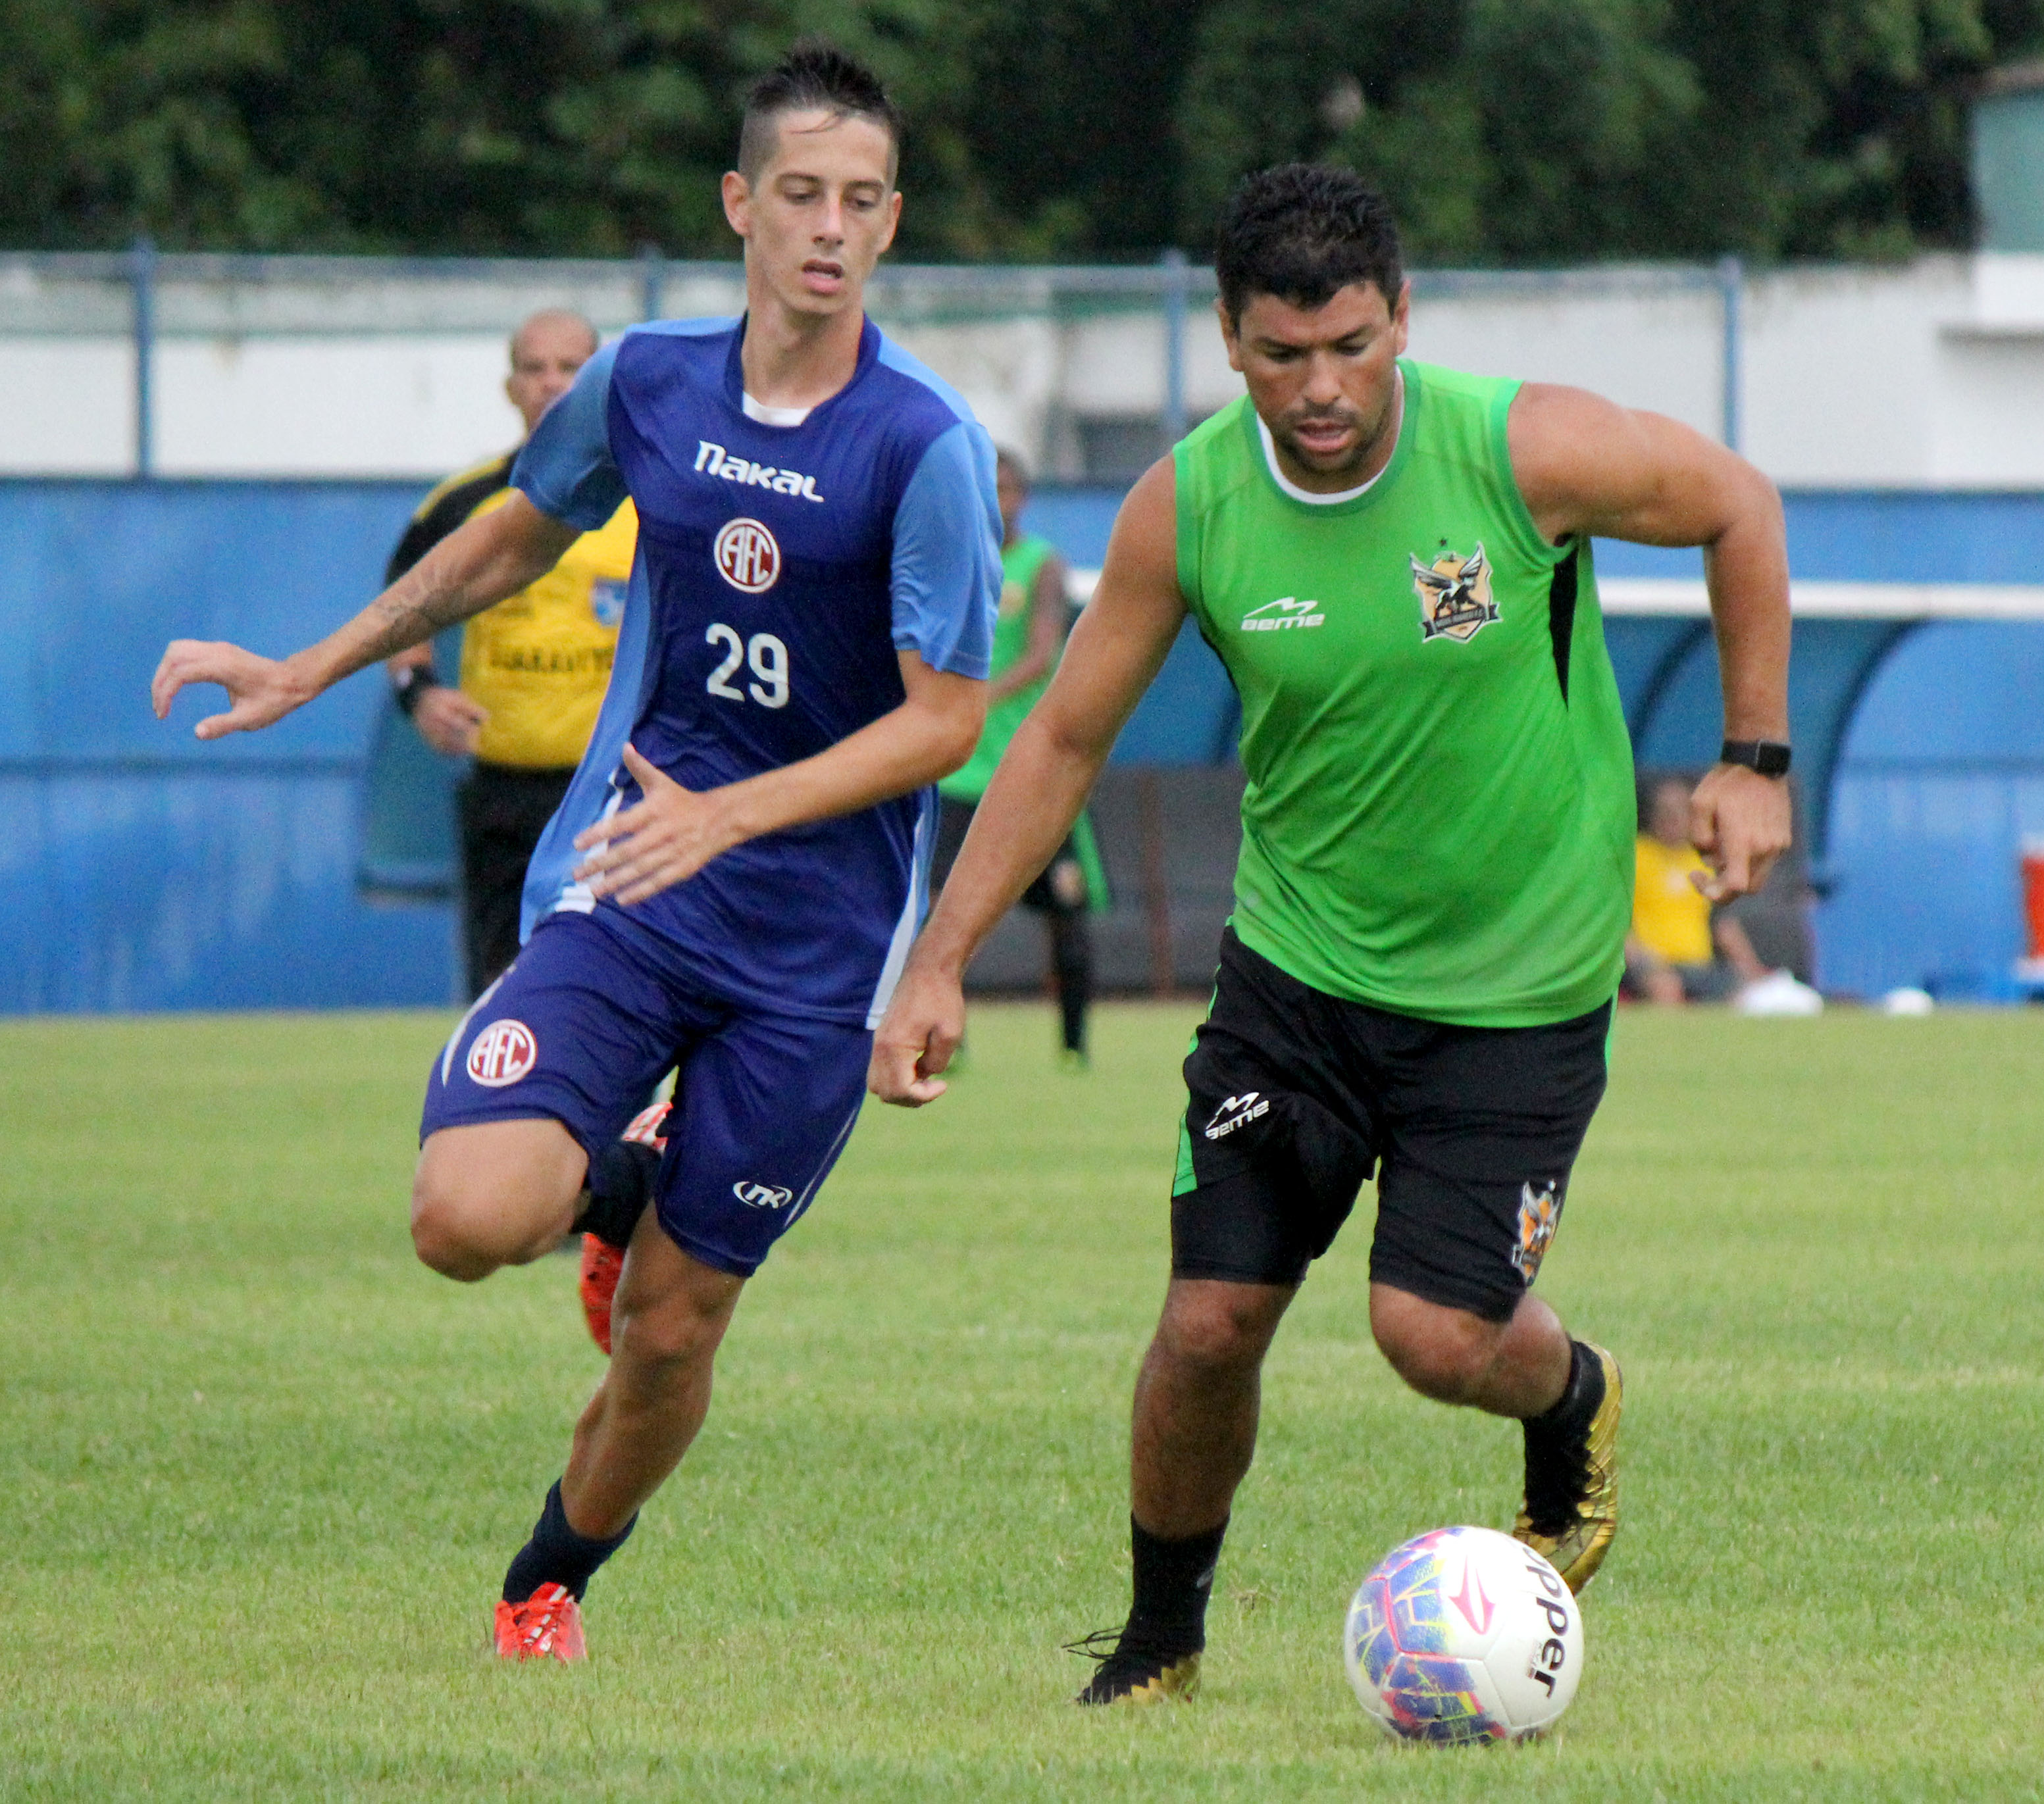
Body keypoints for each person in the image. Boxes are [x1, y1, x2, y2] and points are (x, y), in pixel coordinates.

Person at [870, 164, 1792, 1705]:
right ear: (1229, 339)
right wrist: (943, 953)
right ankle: (1159, 1643)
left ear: (1400, 322)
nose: (1321, 388)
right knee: (1211, 1316)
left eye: (1352, 346)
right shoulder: (1193, 502)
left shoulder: (1522, 448)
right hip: (1297, 975)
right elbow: (1057, 741)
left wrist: (1753, 759)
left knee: (1430, 1335)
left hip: (1516, 992)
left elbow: (1737, 507)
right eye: (1284, 353)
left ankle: (1571, 1389)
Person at [152, 42, 999, 1664]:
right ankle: (613, 1176)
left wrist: (738, 810)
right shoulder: (647, 382)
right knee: (461, 1217)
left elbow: (945, 721)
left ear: (890, 227)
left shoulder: (923, 447)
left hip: (812, 952)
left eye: (863, 201)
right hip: (626, 885)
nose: (829, 227)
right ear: (740, 206)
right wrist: (314, 664)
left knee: (674, 1330)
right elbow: (515, 530)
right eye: (801, 194)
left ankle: (545, 1580)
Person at [383, 309, 640, 992]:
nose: (551, 383)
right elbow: (402, 603)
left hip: (616, 793)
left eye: (569, 368)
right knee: (499, 993)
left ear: (600, 381)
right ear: (510, 387)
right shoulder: (464, 502)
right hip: (502, 787)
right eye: (535, 368)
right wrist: (419, 695)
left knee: (615, 990)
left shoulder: (649, 497)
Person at [931, 447, 1105, 1065]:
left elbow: (1041, 657)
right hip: (959, 771)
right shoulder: (952, 561)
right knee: (940, 917)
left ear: (1024, 497)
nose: (999, 501)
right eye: (989, 488)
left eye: (1008, 489)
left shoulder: (1042, 566)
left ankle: (1074, 1047)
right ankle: (945, 1043)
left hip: (1029, 767)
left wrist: (978, 696)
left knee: (1067, 912)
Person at [1625, 770, 1773, 1005]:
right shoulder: (1635, 856)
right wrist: (1639, 959)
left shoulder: (1704, 863)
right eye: (1665, 812)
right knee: (1665, 987)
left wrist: (1753, 972)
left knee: (1743, 993)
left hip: (1699, 964)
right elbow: (1617, 924)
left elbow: (1724, 926)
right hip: (1654, 964)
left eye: (1679, 812)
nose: (1671, 819)